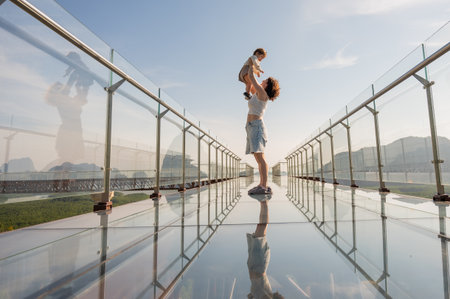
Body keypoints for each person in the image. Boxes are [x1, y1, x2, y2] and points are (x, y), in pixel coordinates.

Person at [245, 60, 280, 195]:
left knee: (260, 159)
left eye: (264, 80)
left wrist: (252, 65)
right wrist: (252, 71)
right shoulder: (258, 92)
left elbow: (252, 78)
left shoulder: (262, 93)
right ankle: (262, 184)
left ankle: (264, 186)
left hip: (257, 127)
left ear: (267, 85)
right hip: (251, 126)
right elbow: (249, 80)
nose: (262, 80)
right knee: (258, 158)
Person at [246, 198, 284, 299]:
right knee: (262, 226)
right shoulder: (266, 295)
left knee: (261, 226)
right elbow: (250, 296)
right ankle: (264, 202)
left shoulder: (264, 294)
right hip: (258, 264)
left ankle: (263, 203)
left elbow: (250, 296)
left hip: (255, 264)